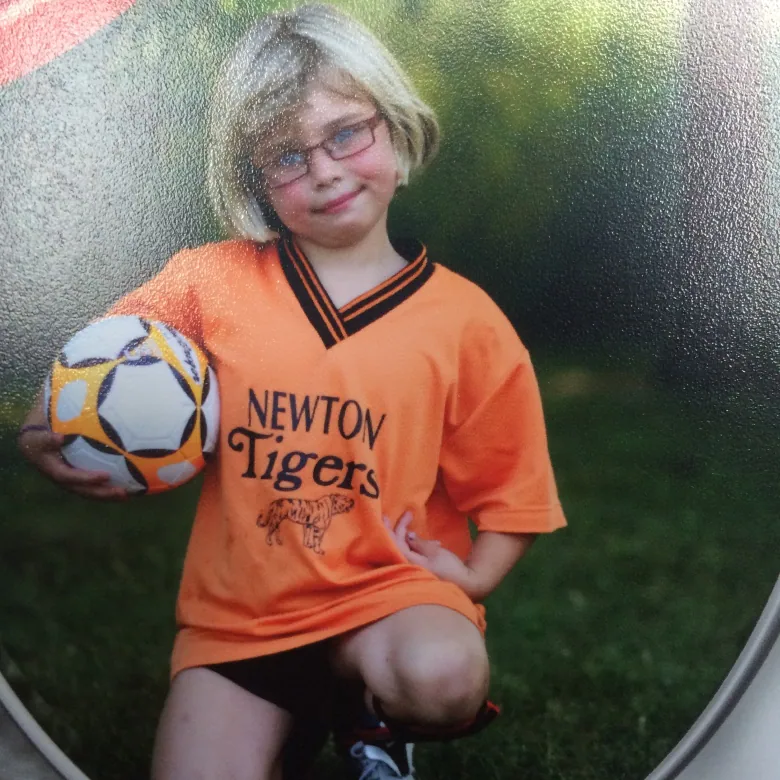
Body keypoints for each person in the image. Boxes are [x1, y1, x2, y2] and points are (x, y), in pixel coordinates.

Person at [17, 4, 567, 779]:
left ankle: (375, 716)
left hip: (388, 601)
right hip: (240, 623)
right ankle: (306, 722)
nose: (325, 169)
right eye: (286, 157)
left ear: (394, 123)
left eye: (346, 132)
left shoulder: (465, 320)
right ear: (254, 178)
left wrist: (472, 578)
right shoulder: (208, 282)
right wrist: (45, 432)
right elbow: (91, 370)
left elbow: (516, 491)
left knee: (443, 676)